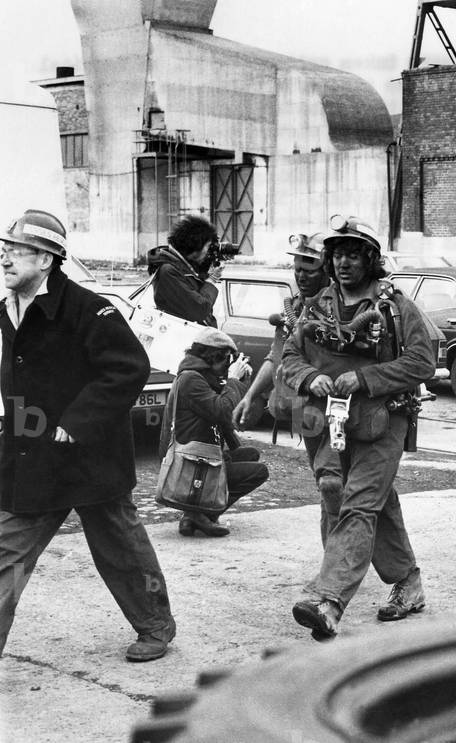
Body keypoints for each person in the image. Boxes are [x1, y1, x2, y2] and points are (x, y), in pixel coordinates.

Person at [0, 209, 175, 661]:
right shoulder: (7, 311)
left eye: (15, 251)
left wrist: (75, 424)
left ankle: (155, 627)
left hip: (89, 456)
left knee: (120, 548)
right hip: (32, 456)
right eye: (4, 250)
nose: (4, 259)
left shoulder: (87, 308)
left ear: (46, 259)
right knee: (6, 554)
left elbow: (128, 367)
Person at [281, 216, 436, 638]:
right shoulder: (316, 306)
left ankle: (328, 601)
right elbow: (290, 358)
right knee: (359, 498)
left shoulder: (395, 307)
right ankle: (408, 584)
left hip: (383, 420)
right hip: (329, 421)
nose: (344, 262)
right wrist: (311, 378)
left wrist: (366, 379)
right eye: (338, 255)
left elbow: (423, 362)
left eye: (353, 254)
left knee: (359, 503)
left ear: (371, 259)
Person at [160, 328, 269, 537]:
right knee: (259, 471)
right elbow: (221, 410)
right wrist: (233, 380)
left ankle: (192, 514)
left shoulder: (201, 377)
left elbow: (229, 420)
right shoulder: (191, 380)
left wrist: (241, 384)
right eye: (227, 360)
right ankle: (202, 514)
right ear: (214, 357)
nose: (228, 366)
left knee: (250, 455)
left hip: (199, 458)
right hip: (188, 464)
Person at [233, 233, 330, 457]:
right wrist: (249, 396)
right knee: (319, 470)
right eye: (298, 270)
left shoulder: (338, 306)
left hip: (337, 404)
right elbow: (275, 356)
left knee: (334, 478)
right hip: (304, 406)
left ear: (327, 271)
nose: (302, 277)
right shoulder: (295, 307)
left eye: (310, 270)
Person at [146, 215, 222, 326]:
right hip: (184, 337)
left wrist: (210, 264)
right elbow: (199, 309)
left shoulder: (181, 266)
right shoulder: (168, 271)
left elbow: (195, 288)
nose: (209, 251)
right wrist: (212, 279)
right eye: (208, 246)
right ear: (195, 246)